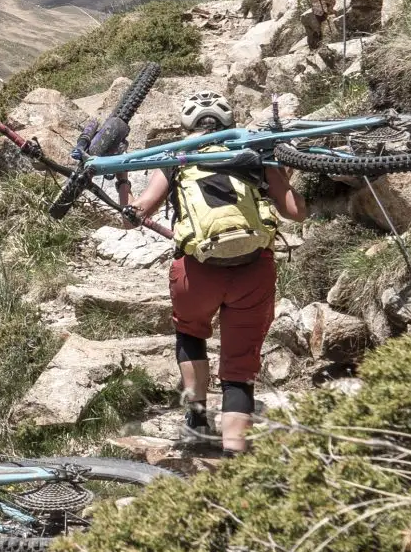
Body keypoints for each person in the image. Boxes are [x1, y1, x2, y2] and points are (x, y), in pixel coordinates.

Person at [126, 89, 306, 455]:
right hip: (253, 271)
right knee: (239, 366)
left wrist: (122, 185)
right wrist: (281, 174)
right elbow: (296, 212)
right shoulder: (253, 150)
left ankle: (196, 419)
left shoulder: (177, 157)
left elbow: (137, 214)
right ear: (228, 120)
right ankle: (234, 456)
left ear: (186, 125)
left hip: (197, 273)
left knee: (190, 332)